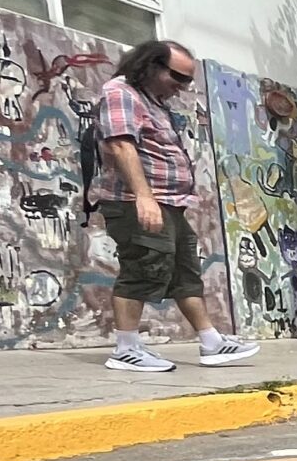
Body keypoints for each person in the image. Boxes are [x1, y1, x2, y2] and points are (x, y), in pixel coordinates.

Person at [89, 40, 259, 374]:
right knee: (141, 268)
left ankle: (211, 342)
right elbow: (122, 146)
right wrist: (145, 197)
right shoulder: (120, 93)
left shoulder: (151, 100)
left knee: (185, 273)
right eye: (178, 78)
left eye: (187, 81)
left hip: (169, 203)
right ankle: (126, 349)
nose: (181, 87)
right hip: (136, 202)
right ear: (151, 65)